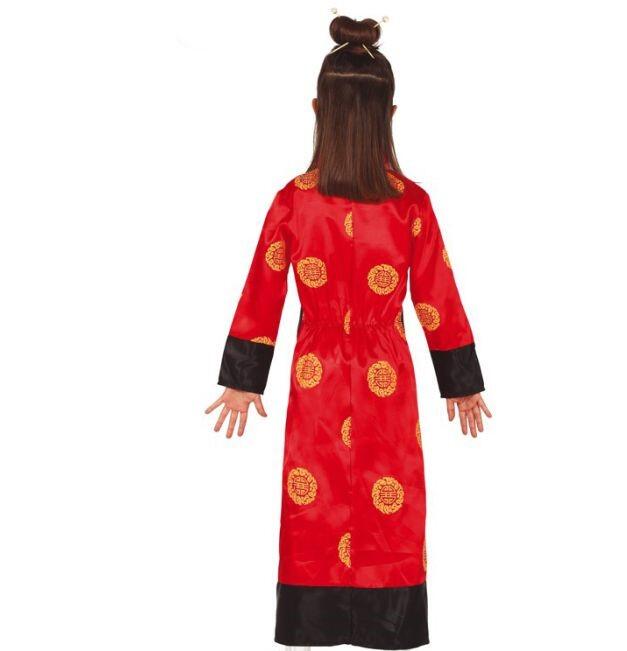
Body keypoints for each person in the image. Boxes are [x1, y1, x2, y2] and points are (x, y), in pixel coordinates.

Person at [205, 14, 491, 650]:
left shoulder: (294, 199)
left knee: (317, 497)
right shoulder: (410, 203)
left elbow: (263, 288)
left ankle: (318, 622)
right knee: (390, 493)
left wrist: (244, 380)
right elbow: (437, 296)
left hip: (318, 370)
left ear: (318, 110)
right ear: (391, 114)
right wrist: (460, 381)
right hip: (387, 372)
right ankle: (385, 623)